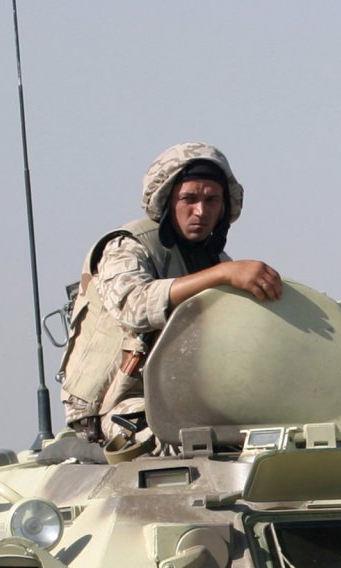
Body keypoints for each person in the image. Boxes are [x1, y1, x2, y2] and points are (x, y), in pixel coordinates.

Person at [58, 142, 283, 449]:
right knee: (182, 448)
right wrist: (222, 276)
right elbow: (134, 306)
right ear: (166, 199)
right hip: (116, 404)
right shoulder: (127, 245)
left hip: (190, 403)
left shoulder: (218, 262)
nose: (201, 211)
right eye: (189, 198)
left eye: (212, 200)